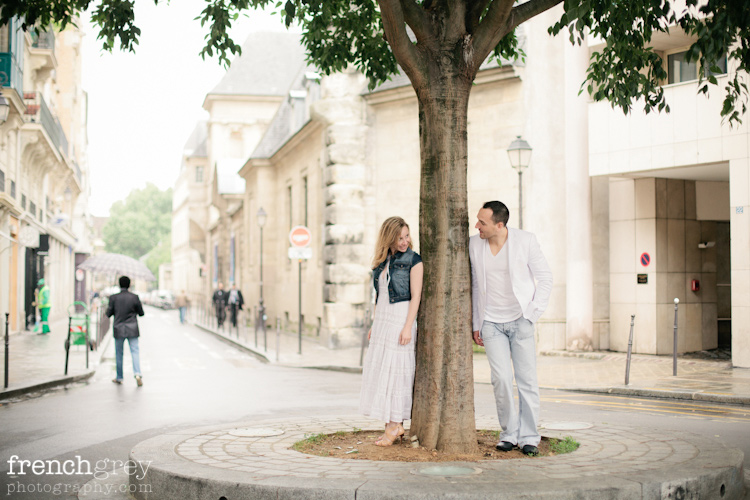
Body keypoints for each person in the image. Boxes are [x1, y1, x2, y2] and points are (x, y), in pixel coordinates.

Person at [470, 201, 552, 456]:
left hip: (520, 320)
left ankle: (529, 437)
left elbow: (546, 277)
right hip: (491, 323)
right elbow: (474, 285)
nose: (477, 226)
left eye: (482, 222)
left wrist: (532, 314)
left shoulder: (525, 241)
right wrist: (477, 322)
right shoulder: (475, 244)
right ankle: (508, 433)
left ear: (500, 224)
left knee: (527, 381)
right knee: (501, 379)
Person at [359, 216, 423, 446]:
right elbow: (380, 296)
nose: (405, 241)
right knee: (383, 374)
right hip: (384, 321)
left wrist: (408, 326)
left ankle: (394, 425)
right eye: (399, 237)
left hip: (400, 319)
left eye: (407, 236)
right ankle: (394, 424)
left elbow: (416, 296)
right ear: (389, 238)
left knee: (397, 373)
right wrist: (375, 324)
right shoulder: (382, 261)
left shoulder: (414, 260)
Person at [106, 276, 145, 386]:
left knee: (119, 353)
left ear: (119, 284)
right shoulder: (134, 297)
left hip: (118, 328)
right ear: (129, 285)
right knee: (135, 351)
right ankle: (137, 373)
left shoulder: (114, 298)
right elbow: (141, 313)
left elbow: (108, 314)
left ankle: (119, 377)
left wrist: (111, 307)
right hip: (132, 329)